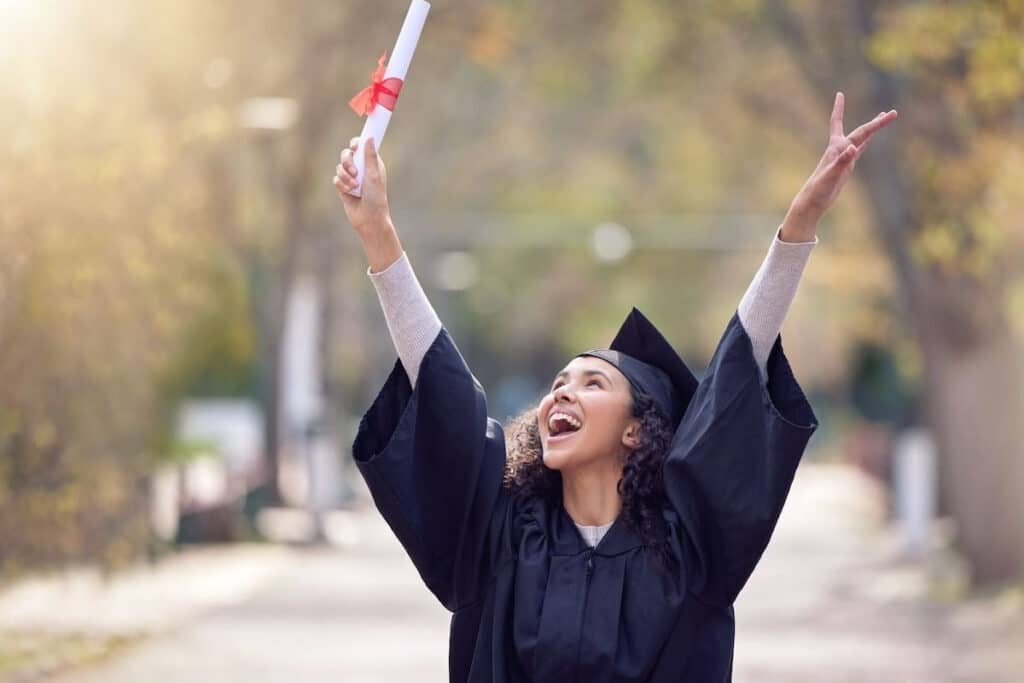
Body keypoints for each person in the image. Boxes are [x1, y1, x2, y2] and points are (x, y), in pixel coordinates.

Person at [333, 92, 896, 682]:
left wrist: (799, 227)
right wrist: (378, 234)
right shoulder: (500, 538)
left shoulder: (690, 553)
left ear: (637, 429)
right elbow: (442, 384)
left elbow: (736, 368)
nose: (563, 394)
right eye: (559, 384)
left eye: (593, 382)